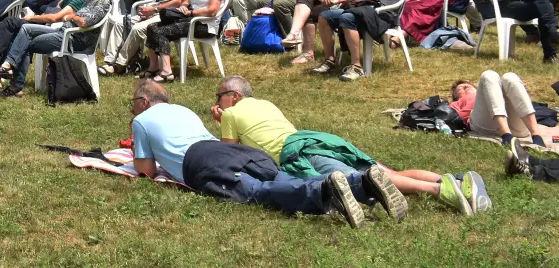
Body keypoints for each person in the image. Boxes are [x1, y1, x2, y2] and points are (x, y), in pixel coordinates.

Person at [128, 79, 396, 227]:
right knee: (278, 179)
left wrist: (135, 148)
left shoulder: (141, 120)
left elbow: (147, 170)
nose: (131, 109)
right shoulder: (183, 110)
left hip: (201, 162)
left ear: (144, 102)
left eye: (133, 103)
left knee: (257, 192)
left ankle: (324, 191)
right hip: (234, 151)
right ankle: (361, 183)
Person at [211, 75, 482, 213]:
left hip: (298, 152)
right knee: (385, 172)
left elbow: (229, 153)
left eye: (219, 95)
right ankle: (454, 180)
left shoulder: (231, 113)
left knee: (366, 180)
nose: (216, 101)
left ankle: (442, 191)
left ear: (234, 95)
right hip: (317, 139)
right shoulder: (266, 103)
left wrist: (221, 121)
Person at [0, 0, 112, 97]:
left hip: (73, 40)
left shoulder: (102, 3)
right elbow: (77, 18)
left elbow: (83, 22)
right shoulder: (91, 0)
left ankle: (14, 86)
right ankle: (7, 65)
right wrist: (73, 17)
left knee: (25, 43)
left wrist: (72, 17)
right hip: (64, 33)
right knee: (26, 28)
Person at [142, 0, 226, 83]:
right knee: (151, 27)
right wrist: (184, 7)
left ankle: (167, 72)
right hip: (191, 20)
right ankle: (153, 68)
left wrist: (191, 13)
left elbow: (212, 11)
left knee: (159, 31)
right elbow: (187, 0)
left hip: (204, 25)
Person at [450, 72, 555, 147]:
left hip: (516, 127)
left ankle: (536, 135)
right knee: (488, 75)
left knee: (510, 77)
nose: (465, 88)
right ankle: (506, 135)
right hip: (484, 125)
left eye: (467, 86)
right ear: (456, 96)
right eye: (460, 89)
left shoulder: (494, 91)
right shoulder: (456, 103)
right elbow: (451, 116)